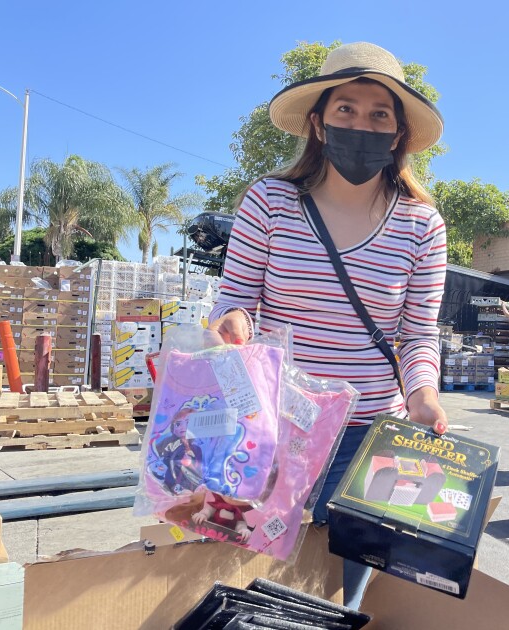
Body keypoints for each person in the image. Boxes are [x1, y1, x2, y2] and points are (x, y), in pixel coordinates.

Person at [207, 42, 447, 609]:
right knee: (258, 591)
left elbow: (416, 334)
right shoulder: (270, 202)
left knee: (353, 599)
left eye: (378, 114)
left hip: (375, 441)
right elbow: (234, 299)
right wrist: (233, 323)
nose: (361, 123)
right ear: (318, 122)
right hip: (275, 435)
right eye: (346, 109)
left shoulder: (423, 225)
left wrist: (423, 397)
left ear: (397, 134)